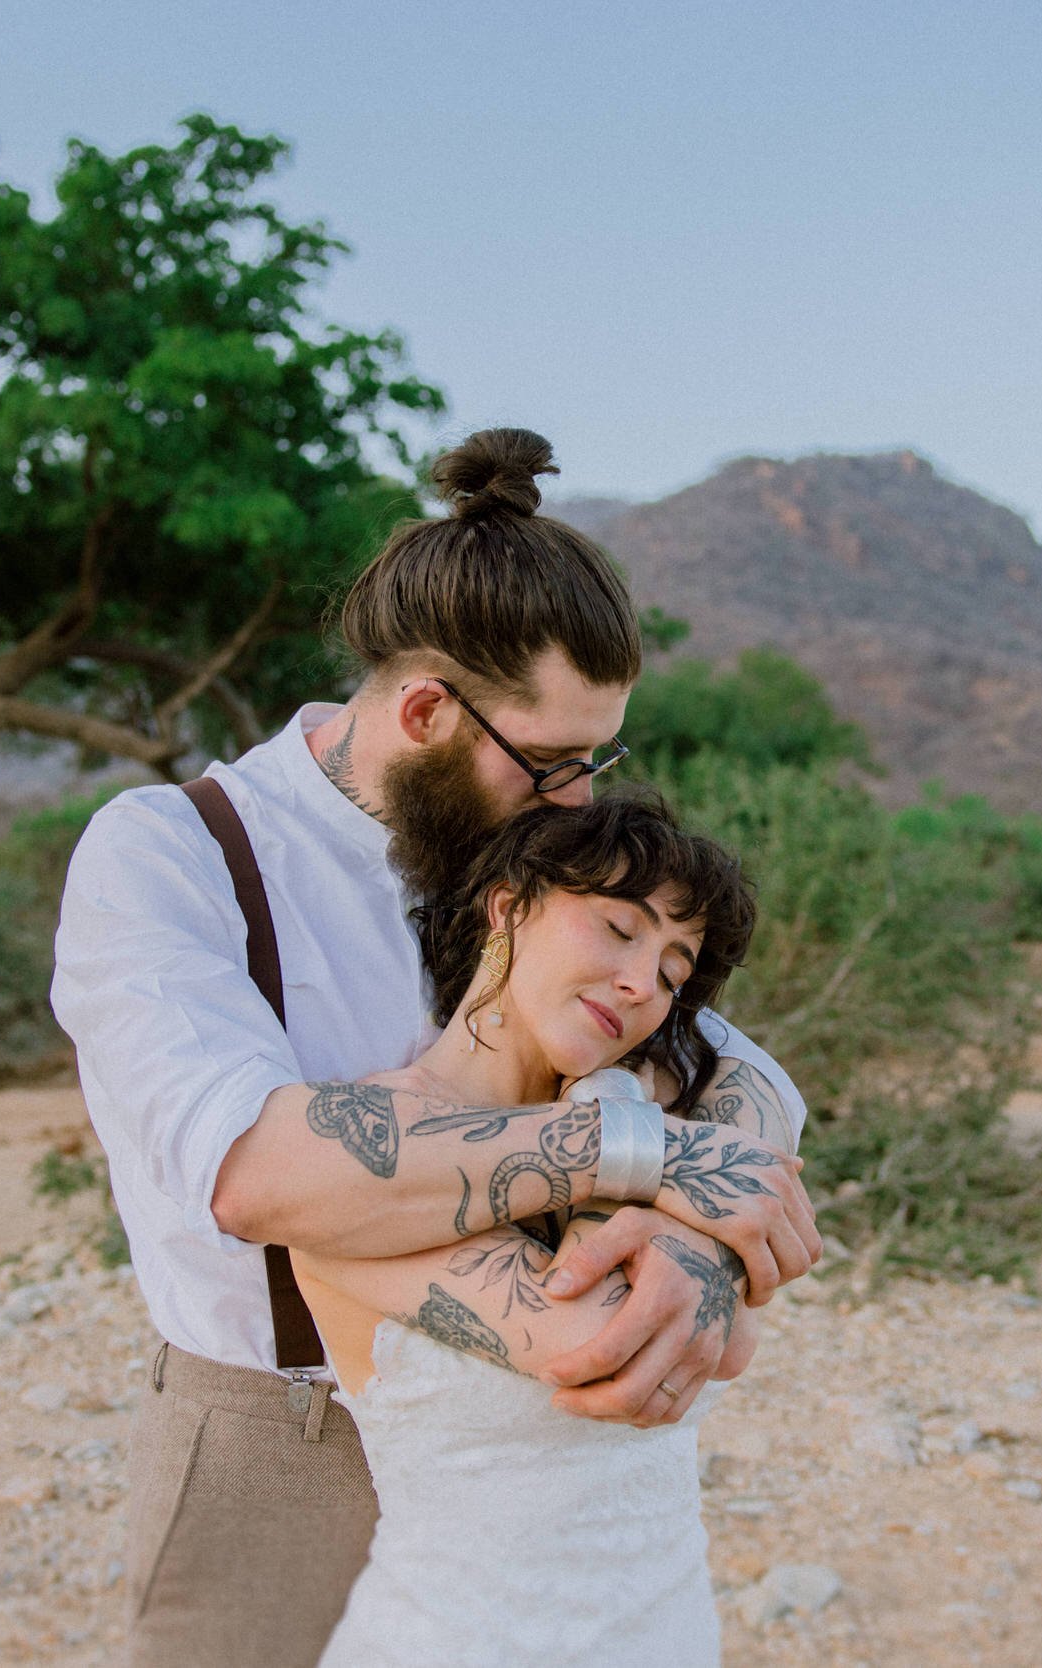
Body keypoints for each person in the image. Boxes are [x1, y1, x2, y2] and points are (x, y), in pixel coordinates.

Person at [50, 427, 820, 1667]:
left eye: (599, 761)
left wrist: (690, 1238)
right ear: (422, 710)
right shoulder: (170, 854)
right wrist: (644, 1154)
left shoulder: (530, 853)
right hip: (277, 1436)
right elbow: (259, 1175)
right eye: (554, 762)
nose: (579, 800)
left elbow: (743, 1070)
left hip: (521, 1440)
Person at [301, 793, 756, 1666]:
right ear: (509, 907)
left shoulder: (640, 1127)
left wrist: (619, 1117)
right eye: (621, 930)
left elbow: (728, 1344)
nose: (641, 987)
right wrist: (635, 1132)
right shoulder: (366, 1147)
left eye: (672, 973)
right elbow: (604, 1341)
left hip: (666, 1634)